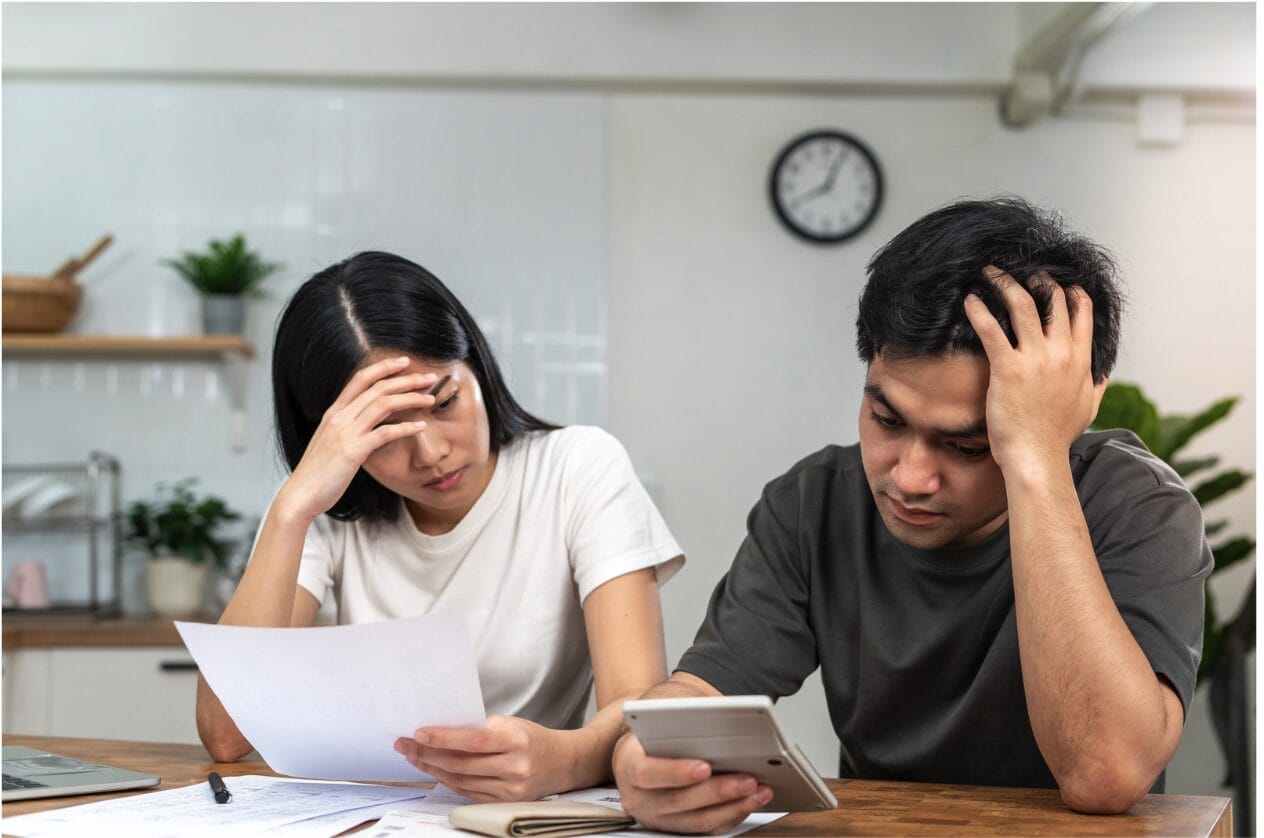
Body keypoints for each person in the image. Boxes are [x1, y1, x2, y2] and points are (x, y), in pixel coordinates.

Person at [612, 197, 1211, 833]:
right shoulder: (813, 503)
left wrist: (1035, 459)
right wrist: (640, 759)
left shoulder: (1138, 507)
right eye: (887, 420)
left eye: (968, 446)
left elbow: (1106, 774)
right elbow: (698, 695)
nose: (909, 478)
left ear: (1067, 411)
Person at [196, 251, 684, 802]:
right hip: (372, 813)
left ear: (476, 365)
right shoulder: (323, 509)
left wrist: (562, 760)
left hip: (529, 814)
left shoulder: (578, 467)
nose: (430, 454)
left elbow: (638, 709)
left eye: (444, 400)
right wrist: (291, 510)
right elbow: (226, 736)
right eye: (383, 431)